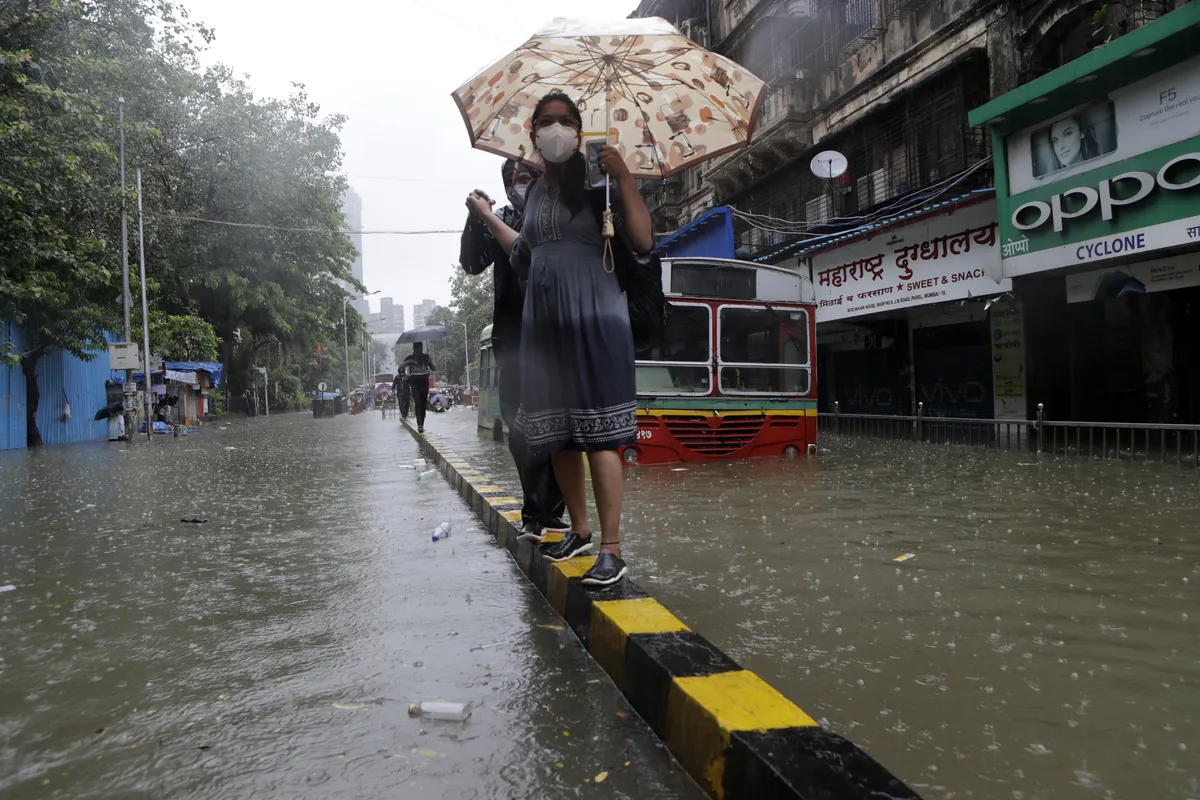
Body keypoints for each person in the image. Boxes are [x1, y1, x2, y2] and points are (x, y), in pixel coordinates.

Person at [465, 91, 654, 587]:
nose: (555, 130)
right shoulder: (534, 196)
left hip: (595, 317)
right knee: (559, 435)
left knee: (601, 434)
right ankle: (580, 529)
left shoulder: (598, 184)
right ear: (533, 134)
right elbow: (523, 252)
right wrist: (489, 217)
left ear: (578, 130)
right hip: (544, 323)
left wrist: (625, 177)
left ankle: (612, 549)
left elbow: (642, 240)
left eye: (565, 122)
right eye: (546, 122)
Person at [461, 158, 568, 541]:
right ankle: (536, 512)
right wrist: (477, 219)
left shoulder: (559, 213)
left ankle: (554, 510)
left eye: (526, 178)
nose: (519, 186)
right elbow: (471, 263)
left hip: (553, 339)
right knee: (520, 429)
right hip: (513, 342)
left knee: (558, 428)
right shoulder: (499, 218)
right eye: (513, 180)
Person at [399, 342, 435, 433]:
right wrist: (409, 362)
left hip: (424, 382)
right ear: (414, 349)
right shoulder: (410, 357)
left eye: (419, 349)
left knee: (422, 403)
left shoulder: (426, 357)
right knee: (418, 402)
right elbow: (400, 366)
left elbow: (433, 368)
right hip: (414, 382)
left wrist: (429, 361)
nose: (418, 351)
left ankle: (421, 424)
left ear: (421, 348)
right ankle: (419, 424)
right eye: (417, 349)